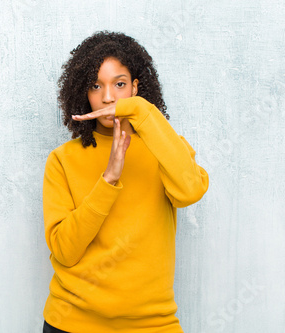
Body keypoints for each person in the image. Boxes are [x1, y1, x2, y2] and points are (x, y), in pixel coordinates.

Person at [42, 31, 209, 333]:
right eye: (96, 85)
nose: (108, 97)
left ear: (135, 87)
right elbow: (64, 250)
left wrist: (142, 111)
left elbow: (191, 191)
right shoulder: (62, 160)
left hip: (152, 324)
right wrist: (109, 178)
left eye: (119, 84)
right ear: (84, 91)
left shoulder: (166, 148)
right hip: (72, 323)